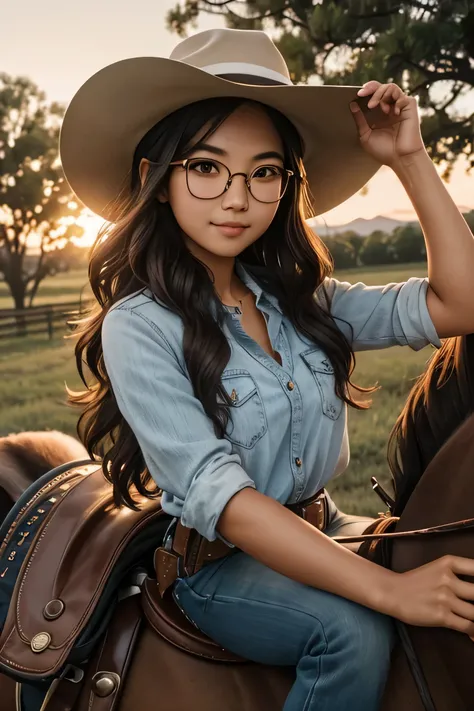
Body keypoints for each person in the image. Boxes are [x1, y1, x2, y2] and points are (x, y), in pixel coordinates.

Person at [62, 27, 474, 711]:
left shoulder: (301, 299)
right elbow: (222, 498)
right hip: (221, 563)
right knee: (352, 632)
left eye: (264, 171)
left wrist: (409, 158)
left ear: (287, 184)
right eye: (206, 166)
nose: (237, 196)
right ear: (156, 178)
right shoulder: (141, 325)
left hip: (325, 523)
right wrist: (388, 589)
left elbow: (460, 302)